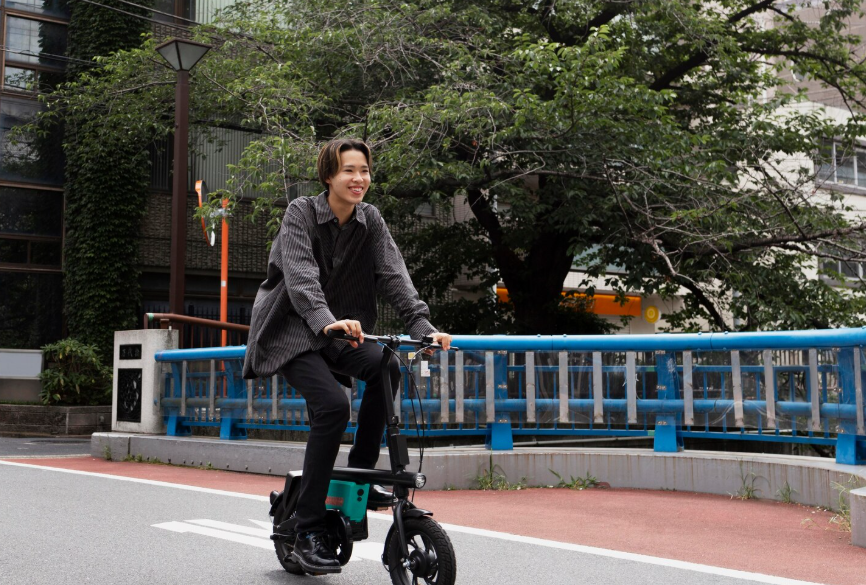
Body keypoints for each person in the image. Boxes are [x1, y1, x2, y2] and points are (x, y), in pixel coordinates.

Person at [243, 138, 451, 574]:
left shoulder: (370, 220)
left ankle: (359, 474)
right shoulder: (300, 213)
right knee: (334, 406)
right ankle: (307, 529)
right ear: (328, 177)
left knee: (386, 365)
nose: (359, 179)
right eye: (348, 171)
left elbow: (395, 276)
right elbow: (301, 279)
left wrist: (423, 327)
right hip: (291, 331)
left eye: (365, 171)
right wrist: (325, 320)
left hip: (340, 333)